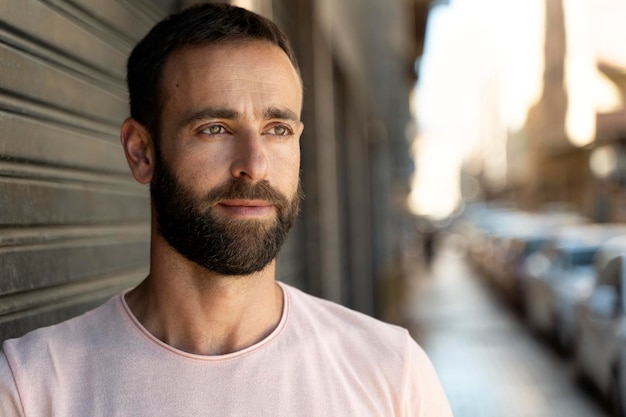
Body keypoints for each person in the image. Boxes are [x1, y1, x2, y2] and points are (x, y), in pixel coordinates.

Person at [0, 3, 453, 416]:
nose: (254, 166)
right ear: (141, 152)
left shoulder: (391, 372)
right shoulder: (33, 387)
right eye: (214, 128)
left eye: (278, 130)